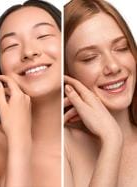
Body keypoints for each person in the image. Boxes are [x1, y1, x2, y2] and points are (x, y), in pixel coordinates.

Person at [64, 0, 137, 186]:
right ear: (66, 74)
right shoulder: (62, 146)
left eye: (121, 48)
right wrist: (112, 140)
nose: (113, 66)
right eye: (90, 58)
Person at [0, 0, 61, 186]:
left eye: (43, 35)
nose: (28, 52)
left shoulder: (96, 139)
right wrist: (19, 141)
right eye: (11, 45)